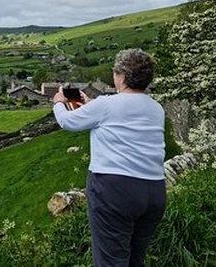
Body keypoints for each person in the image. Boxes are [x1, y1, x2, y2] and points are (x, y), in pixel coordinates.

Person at [52, 48, 166, 267]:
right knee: (135, 260)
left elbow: (68, 121)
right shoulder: (156, 108)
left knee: (111, 261)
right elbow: (122, 117)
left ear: (122, 76)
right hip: (154, 190)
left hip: (115, 190)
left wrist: (58, 102)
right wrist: (91, 105)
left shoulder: (105, 104)